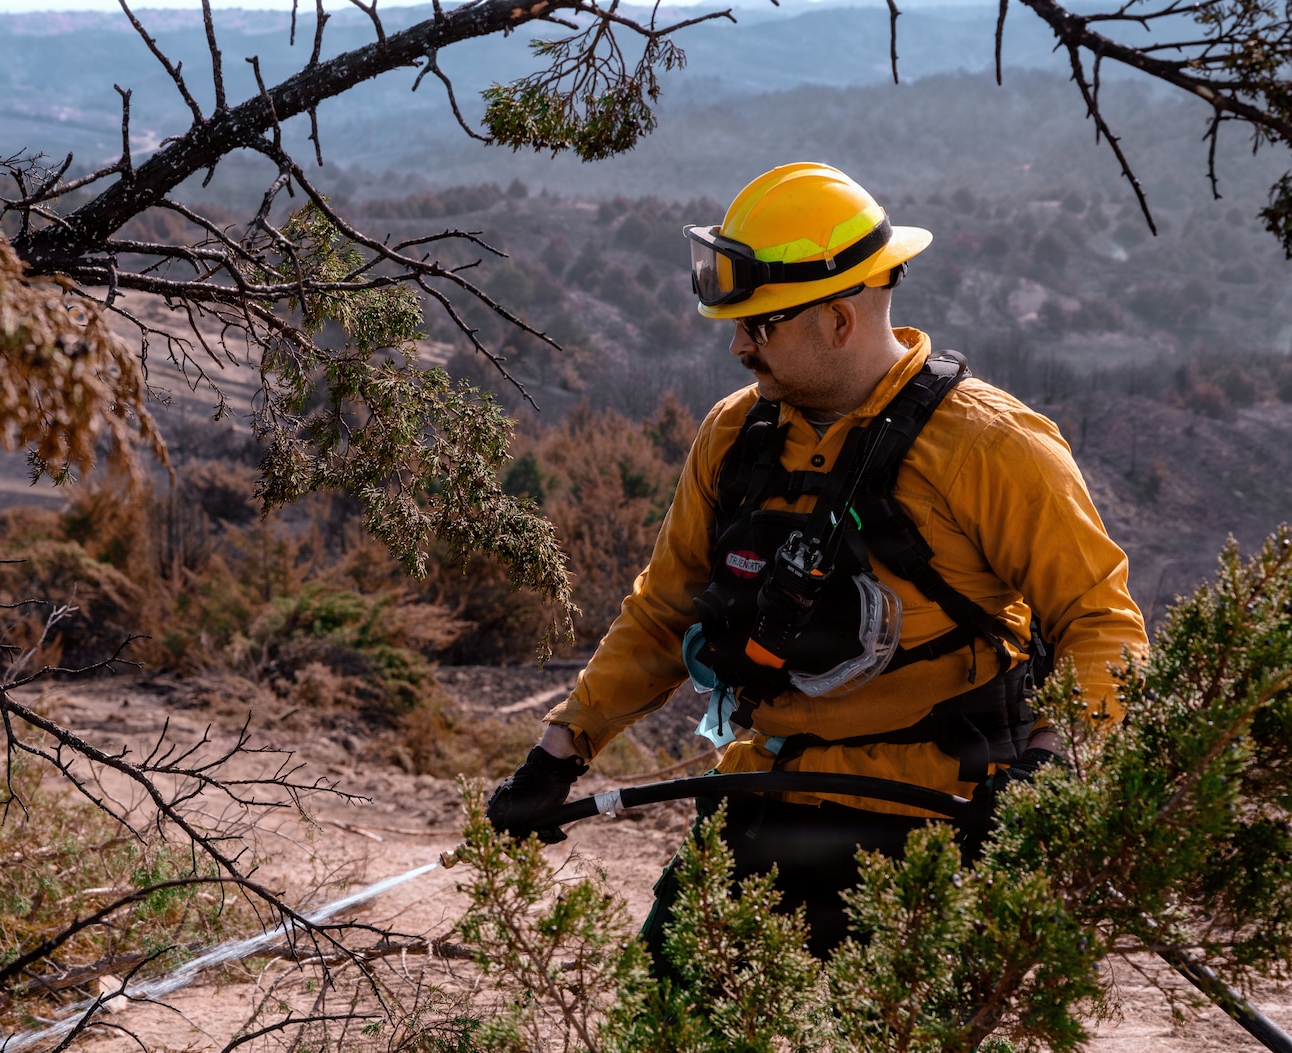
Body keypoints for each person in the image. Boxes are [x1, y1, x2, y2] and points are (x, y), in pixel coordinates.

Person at [487, 162, 1147, 967]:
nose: (736, 345)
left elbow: (1101, 622)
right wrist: (558, 753)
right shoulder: (735, 437)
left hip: (931, 832)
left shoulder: (989, 446)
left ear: (838, 319)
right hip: (759, 805)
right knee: (663, 1046)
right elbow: (663, 612)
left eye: (758, 326)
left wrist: (1049, 771)